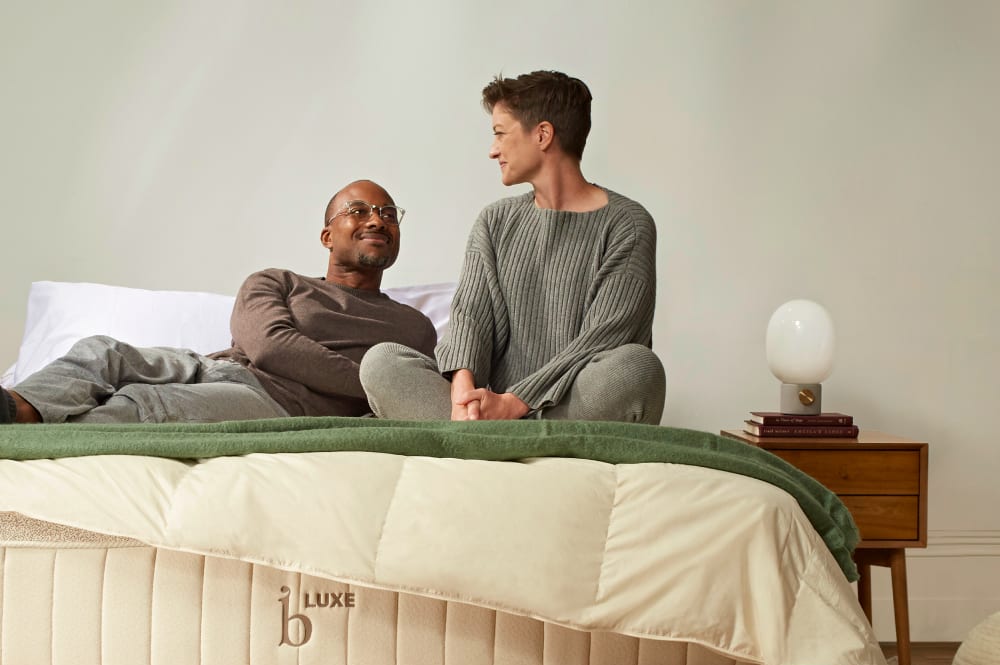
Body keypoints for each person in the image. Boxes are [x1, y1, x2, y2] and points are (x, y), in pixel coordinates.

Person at [360, 70, 665, 424]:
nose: (493, 150)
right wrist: (462, 391)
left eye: (500, 134)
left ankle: (481, 442)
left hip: (565, 411)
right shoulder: (495, 220)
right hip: (489, 414)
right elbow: (469, 317)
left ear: (542, 135)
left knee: (637, 368)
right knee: (382, 362)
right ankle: (484, 435)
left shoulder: (628, 223)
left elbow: (603, 339)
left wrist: (516, 402)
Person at [0, 179, 436, 425]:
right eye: (358, 211)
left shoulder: (413, 328)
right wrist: (368, 378)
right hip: (216, 366)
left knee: (147, 405)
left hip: (276, 404)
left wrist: (375, 385)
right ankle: (20, 410)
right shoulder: (275, 281)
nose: (378, 219)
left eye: (389, 214)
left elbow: (399, 395)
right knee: (103, 351)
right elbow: (268, 346)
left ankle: (38, 440)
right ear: (327, 236)